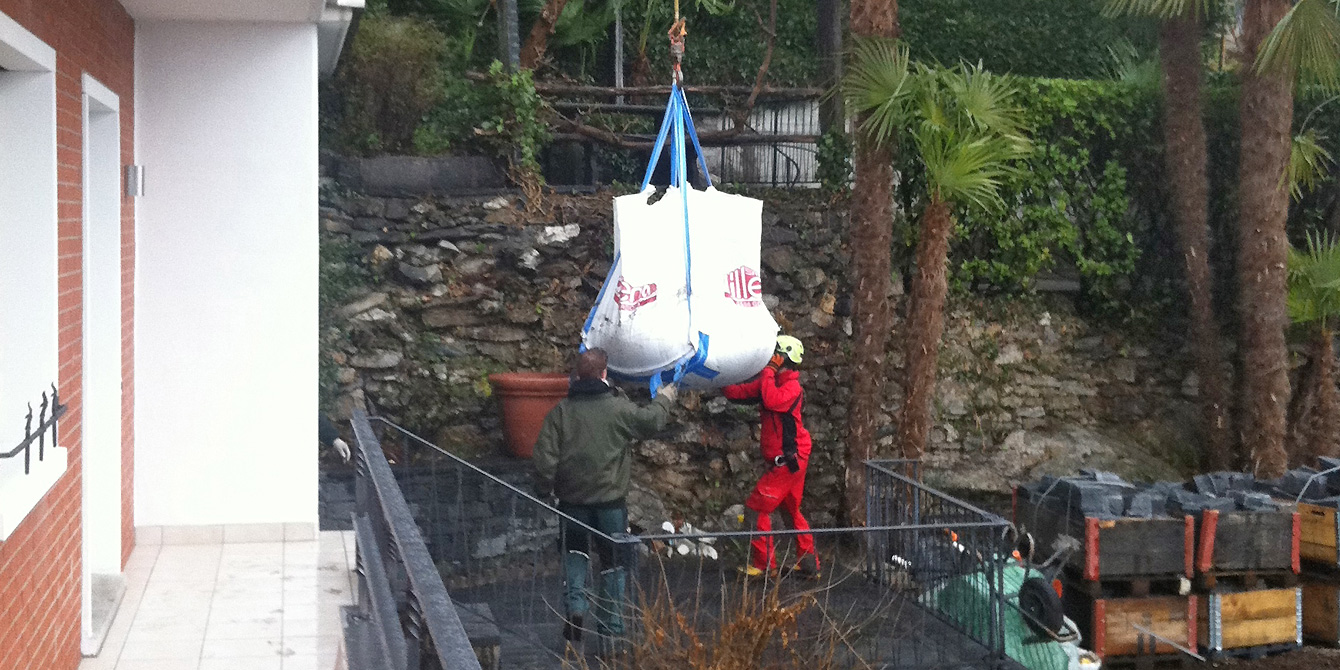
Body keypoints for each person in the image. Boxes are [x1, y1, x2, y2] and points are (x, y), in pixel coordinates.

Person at [533, 348, 677, 643]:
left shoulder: (561, 413)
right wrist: (665, 398)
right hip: (610, 505)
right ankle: (610, 627)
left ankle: (574, 609)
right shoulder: (617, 409)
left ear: (576, 376)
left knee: (574, 554)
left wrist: (543, 490)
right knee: (613, 562)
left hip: (572, 503)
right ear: (604, 375)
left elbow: (544, 460)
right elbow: (651, 421)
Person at [721, 335, 819, 579]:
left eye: (773, 355)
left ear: (781, 357)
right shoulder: (773, 382)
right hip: (791, 459)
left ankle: (765, 566)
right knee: (790, 511)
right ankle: (809, 565)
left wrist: (769, 371)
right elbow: (738, 393)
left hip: (788, 461)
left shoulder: (790, 387)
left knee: (756, 509)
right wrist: (721, 376)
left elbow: (771, 399)